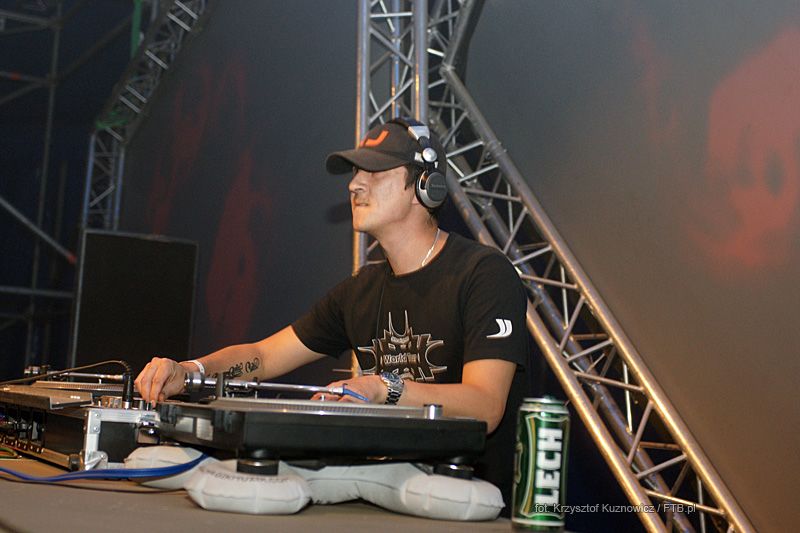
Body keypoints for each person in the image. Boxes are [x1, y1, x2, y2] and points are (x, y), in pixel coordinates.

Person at [135, 118, 529, 511]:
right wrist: (190, 371)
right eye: (355, 173)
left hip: (462, 504)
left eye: (374, 171)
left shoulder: (484, 274)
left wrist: (383, 388)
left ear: (424, 186)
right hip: (378, 503)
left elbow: (485, 405)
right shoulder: (359, 291)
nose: (354, 184)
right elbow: (264, 356)